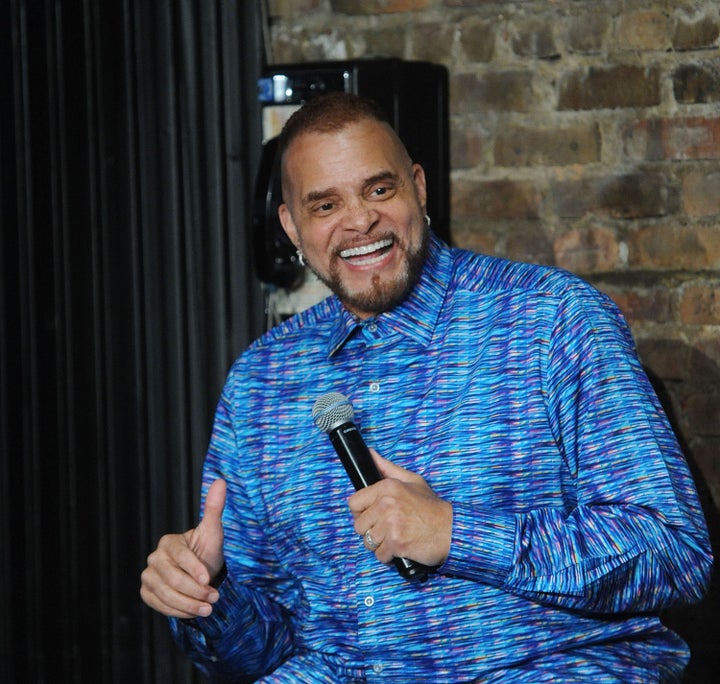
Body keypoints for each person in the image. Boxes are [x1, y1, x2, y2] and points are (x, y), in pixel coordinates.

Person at [140, 92, 712, 682]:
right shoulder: (261, 381)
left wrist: (456, 533)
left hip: (540, 666)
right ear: (291, 226)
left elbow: (674, 554)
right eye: (325, 204)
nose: (359, 220)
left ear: (418, 187)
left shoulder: (553, 320)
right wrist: (207, 598)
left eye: (379, 190)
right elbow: (257, 654)